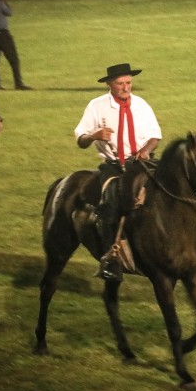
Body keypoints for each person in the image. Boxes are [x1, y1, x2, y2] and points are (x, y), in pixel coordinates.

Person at [74, 63, 162, 281]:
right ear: (109, 84)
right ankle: (110, 259)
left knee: (172, 189)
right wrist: (94, 135)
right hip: (113, 165)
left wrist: (146, 150)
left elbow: (155, 136)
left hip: (141, 162)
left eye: (128, 83)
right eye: (120, 83)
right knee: (111, 202)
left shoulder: (141, 105)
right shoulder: (96, 106)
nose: (126, 88)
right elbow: (80, 139)